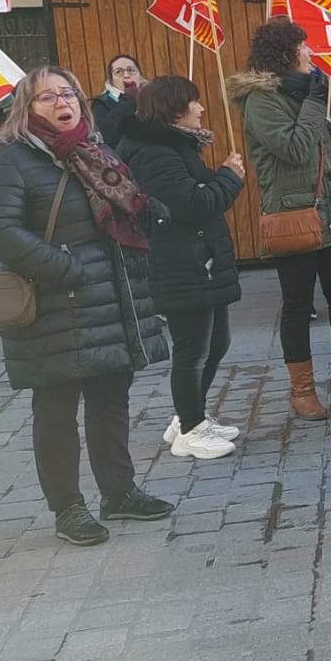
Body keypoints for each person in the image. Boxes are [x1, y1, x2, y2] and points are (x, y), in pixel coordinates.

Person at [0, 66, 173, 544]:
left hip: (110, 298)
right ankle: (67, 507)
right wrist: (61, 266)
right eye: (46, 97)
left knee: (109, 400)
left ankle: (119, 493)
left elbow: (121, 205)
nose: (61, 103)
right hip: (53, 303)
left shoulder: (93, 149)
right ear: (26, 108)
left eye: (68, 94)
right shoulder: (10, 161)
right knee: (56, 409)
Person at [232, 19, 331, 421]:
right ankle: (302, 390)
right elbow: (295, 149)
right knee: (298, 304)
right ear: (285, 53)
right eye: (303, 48)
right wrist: (317, 103)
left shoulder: (306, 94)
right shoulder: (262, 99)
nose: (310, 54)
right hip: (293, 215)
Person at [117, 75, 245, 459]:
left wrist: (217, 180)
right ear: (175, 110)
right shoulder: (154, 153)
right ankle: (190, 429)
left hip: (197, 260)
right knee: (192, 348)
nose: (201, 109)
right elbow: (191, 203)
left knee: (217, 342)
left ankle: (190, 414)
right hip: (179, 262)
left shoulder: (174, 147)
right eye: (194, 103)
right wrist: (229, 177)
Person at [91, 54, 144, 150]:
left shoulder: (153, 97)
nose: (126, 75)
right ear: (111, 80)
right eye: (119, 72)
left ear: (140, 75)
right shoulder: (102, 102)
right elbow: (106, 135)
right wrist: (128, 100)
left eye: (131, 70)